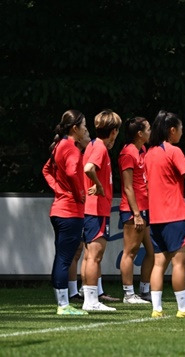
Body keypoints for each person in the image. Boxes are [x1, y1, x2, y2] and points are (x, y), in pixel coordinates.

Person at [145, 110, 185, 319]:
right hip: (175, 214)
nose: (182, 133)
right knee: (179, 264)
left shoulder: (149, 153)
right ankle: (183, 309)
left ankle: (156, 309)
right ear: (172, 130)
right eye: (180, 129)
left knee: (158, 263)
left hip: (155, 217)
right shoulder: (173, 151)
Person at [42, 110, 91, 315]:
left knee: (61, 257)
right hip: (70, 211)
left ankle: (62, 301)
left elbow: (46, 170)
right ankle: (63, 305)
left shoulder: (59, 146)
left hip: (59, 209)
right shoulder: (70, 148)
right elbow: (72, 172)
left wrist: (59, 190)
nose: (86, 130)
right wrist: (79, 193)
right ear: (75, 128)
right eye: (84, 126)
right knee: (64, 258)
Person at [81, 110, 122, 312]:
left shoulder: (92, 145)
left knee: (89, 256)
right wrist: (98, 185)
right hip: (96, 209)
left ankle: (88, 297)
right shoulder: (100, 148)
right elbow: (89, 168)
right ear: (113, 131)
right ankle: (91, 300)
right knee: (95, 256)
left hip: (90, 208)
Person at [118, 117, 154, 304]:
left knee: (151, 251)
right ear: (139, 133)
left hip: (145, 208)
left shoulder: (143, 150)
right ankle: (128, 294)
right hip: (134, 211)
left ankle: (144, 291)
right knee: (130, 252)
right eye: (148, 129)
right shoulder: (127, 153)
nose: (151, 132)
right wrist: (136, 214)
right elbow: (128, 187)